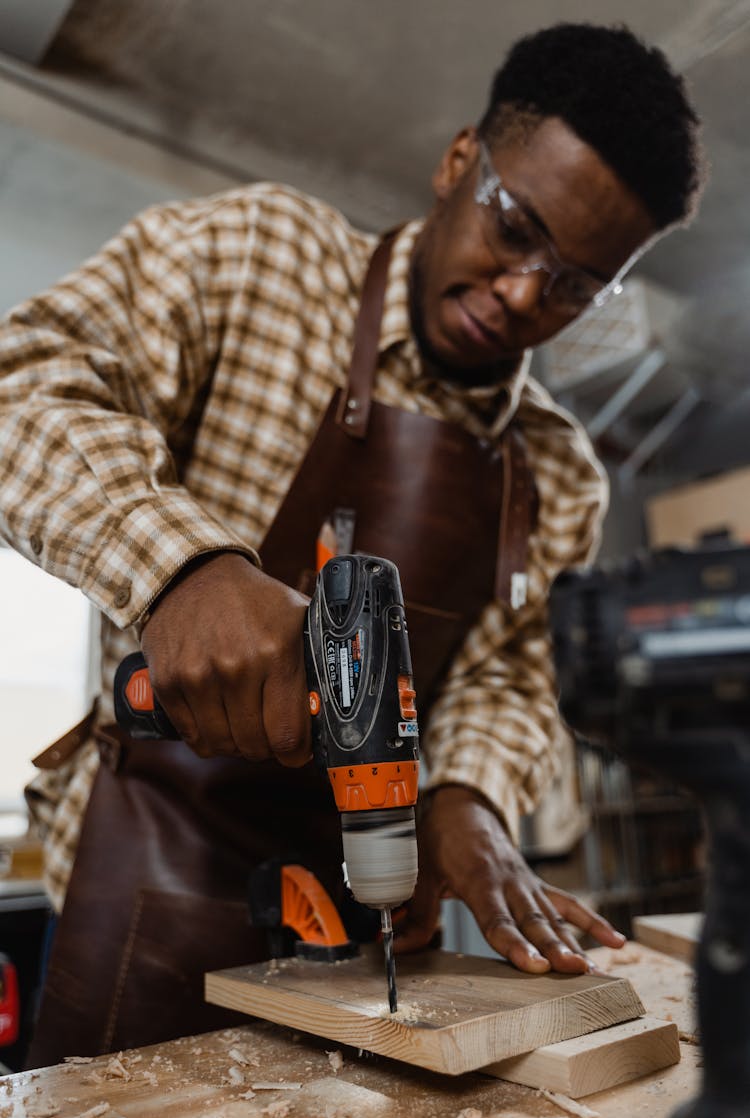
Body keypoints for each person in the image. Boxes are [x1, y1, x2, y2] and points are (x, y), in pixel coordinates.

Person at [0, 22, 704, 1064]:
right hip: (151, 875)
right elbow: (20, 383)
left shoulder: (557, 473)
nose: (522, 295)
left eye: (573, 285)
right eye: (515, 230)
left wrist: (466, 802)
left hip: (366, 907)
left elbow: (511, 678)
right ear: (460, 161)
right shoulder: (259, 258)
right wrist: (185, 568)